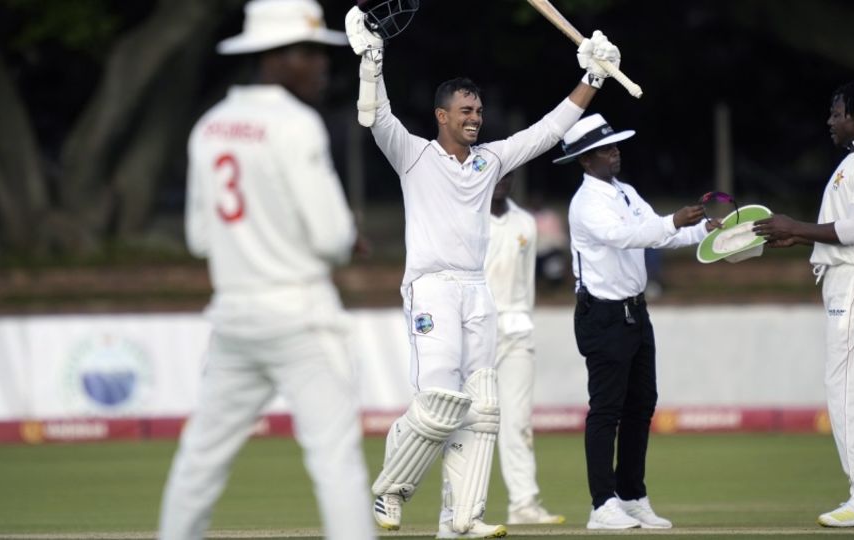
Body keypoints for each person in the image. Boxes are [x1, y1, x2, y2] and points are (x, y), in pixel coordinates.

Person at [345, 6, 621, 538]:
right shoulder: (414, 156)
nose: (475, 116)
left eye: (479, 109)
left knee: (483, 408)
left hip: (477, 291)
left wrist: (592, 77)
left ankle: (463, 517)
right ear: (441, 116)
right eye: (465, 109)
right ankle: (391, 488)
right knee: (440, 404)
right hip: (431, 288)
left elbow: (546, 131)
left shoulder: (489, 161)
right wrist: (371, 61)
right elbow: (376, 116)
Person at [158, 1, 374, 539]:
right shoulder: (296, 125)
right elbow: (330, 238)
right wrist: (350, 235)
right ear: (275, 57)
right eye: (310, 53)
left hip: (234, 314)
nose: (323, 65)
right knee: (335, 460)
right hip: (299, 313)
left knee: (200, 460)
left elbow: (199, 238)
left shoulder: (209, 128)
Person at [555, 113, 716, 530]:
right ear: (586, 159)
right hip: (603, 315)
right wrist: (672, 222)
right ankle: (601, 505)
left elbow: (656, 232)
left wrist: (702, 232)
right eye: (607, 148)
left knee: (641, 405)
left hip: (634, 311)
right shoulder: (586, 204)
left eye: (615, 145)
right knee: (606, 410)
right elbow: (628, 237)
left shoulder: (624, 191)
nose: (616, 151)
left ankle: (631, 495)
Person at [752, 79, 854, 528]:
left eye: (837, 113)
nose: (830, 121)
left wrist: (796, 223)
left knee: (847, 388)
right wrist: (797, 235)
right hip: (850, 276)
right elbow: (843, 230)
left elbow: (853, 232)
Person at [485, 175, 565, 526]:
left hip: (516, 329)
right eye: (494, 174)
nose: (501, 182)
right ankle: (456, 506)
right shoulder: (464, 214)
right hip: (474, 331)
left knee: (517, 422)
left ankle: (523, 504)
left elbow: (527, 283)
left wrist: (524, 320)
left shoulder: (525, 222)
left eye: (507, 174)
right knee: (470, 423)